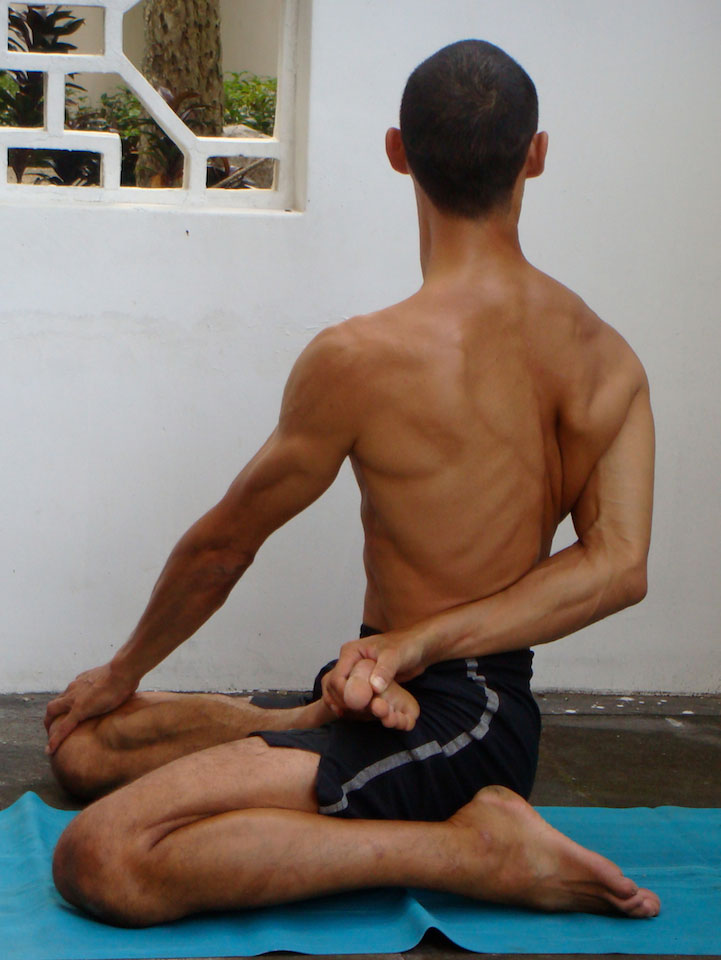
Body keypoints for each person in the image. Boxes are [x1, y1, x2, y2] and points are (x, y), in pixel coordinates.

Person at [45, 39, 659, 926]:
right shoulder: (609, 360)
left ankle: (475, 851)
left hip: (461, 719)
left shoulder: (359, 359)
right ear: (535, 154)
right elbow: (615, 562)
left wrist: (417, 644)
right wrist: (120, 679)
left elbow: (225, 545)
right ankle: (304, 727)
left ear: (395, 150)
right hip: (384, 690)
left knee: (99, 856)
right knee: (85, 750)